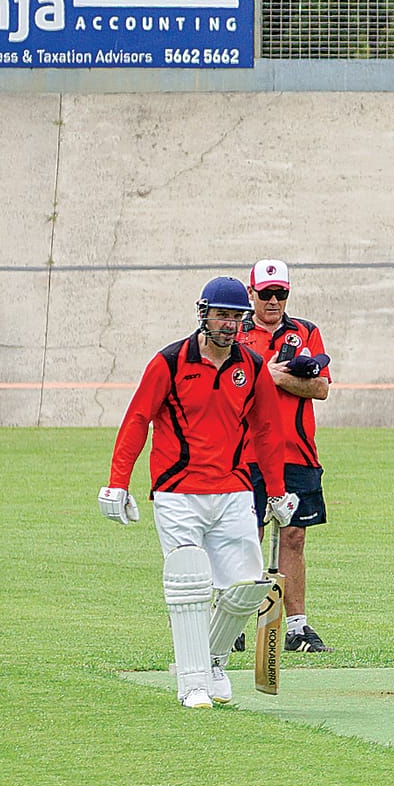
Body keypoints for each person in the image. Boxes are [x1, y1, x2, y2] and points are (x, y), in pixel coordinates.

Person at [99, 277, 297, 708]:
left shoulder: (253, 367)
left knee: (245, 587)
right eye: (221, 315)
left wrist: (278, 493)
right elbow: (137, 420)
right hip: (177, 492)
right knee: (189, 583)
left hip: (234, 490)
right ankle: (192, 683)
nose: (228, 324)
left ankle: (211, 662)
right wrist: (118, 482)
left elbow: (266, 430)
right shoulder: (169, 362)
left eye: (235, 317)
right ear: (203, 314)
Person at [237, 258, 334, 654]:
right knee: (246, 537)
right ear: (251, 294)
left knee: (293, 537)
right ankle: (234, 622)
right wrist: (271, 375)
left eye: (281, 294)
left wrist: (277, 376)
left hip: (297, 451)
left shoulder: (306, 332)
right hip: (247, 454)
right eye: (266, 294)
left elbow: (322, 389)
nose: (273, 301)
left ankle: (297, 627)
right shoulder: (236, 333)